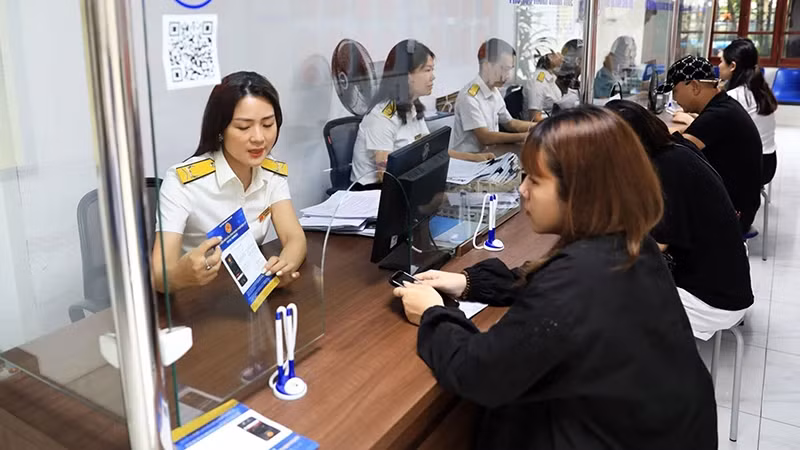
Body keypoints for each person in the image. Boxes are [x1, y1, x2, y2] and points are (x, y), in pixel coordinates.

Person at [393, 106, 717, 449]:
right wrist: (468, 283)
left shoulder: (576, 282)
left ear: (580, 189)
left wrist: (432, 312)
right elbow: (549, 284)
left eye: (534, 179)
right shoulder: (631, 244)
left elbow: (478, 372)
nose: (522, 190)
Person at [607, 100, 753, 340]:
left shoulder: (661, 172)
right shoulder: (676, 149)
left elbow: (653, 246)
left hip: (709, 300)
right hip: (727, 281)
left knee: (603, 296)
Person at [152, 71, 307, 292]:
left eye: (268, 124)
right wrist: (180, 275)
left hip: (250, 294)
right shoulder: (183, 181)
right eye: (243, 127)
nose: (259, 138)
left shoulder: (271, 171)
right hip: (197, 301)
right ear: (220, 130)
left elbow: (294, 237)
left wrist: (284, 266)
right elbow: (159, 275)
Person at [350, 40, 488, 188]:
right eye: (427, 70)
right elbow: (384, 175)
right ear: (407, 75)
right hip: (374, 194)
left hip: (405, 185)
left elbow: (433, 153)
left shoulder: (412, 108)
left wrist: (474, 158)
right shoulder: (382, 116)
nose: (433, 77)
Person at [658, 55, 762, 234]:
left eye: (675, 91)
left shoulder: (718, 115)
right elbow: (685, 141)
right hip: (736, 201)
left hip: (733, 213)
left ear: (695, 87)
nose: (675, 100)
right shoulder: (723, 106)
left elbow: (672, 155)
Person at [449, 38, 533, 154]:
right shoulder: (469, 96)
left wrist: (539, 127)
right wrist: (524, 137)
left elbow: (510, 123)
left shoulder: (494, 90)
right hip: (471, 162)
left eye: (510, 70)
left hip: (489, 155)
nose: (507, 76)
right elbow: (485, 137)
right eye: (504, 69)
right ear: (487, 66)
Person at [720, 39, 778, 188]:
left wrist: (688, 117)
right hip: (768, 163)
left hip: (749, 168)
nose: (718, 66)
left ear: (732, 66)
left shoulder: (736, 96)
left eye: (721, 61)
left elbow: (713, 127)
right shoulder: (759, 89)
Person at [525, 52, 578, 121]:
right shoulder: (539, 81)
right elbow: (535, 117)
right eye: (556, 54)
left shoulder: (552, 77)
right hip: (543, 127)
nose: (561, 57)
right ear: (549, 57)